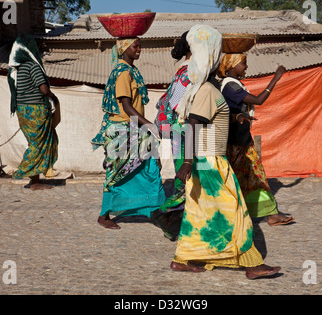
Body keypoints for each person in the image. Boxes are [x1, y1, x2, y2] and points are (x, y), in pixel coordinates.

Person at [170, 24, 281, 279]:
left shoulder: (206, 87)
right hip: (209, 161)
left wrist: (234, 119)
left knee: (200, 214)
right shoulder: (207, 89)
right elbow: (193, 124)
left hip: (209, 160)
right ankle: (252, 264)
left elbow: (208, 120)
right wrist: (187, 162)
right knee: (237, 210)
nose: (219, 58)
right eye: (217, 52)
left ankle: (183, 258)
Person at [91, 37, 166, 230]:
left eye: (140, 45)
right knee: (116, 173)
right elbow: (126, 105)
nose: (140, 49)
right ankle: (103, 215)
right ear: (125, 48)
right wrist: (150, 125)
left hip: (134, 127)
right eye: (136, 46)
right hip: (122, 128)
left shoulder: (132, 71)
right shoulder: (123, 73)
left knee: (150, 165)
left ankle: (153, 209)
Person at [217, 53, 294, 226]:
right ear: (232, 65)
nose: (246, 67)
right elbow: (258, 100)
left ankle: (269, 214)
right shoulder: (230, 86)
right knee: (238, 179)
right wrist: (275, 78)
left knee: (254, 177)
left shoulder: (234, 85)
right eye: (243, 63)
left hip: (241, 139)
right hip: (235, 142)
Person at [151, 31, 191, 240]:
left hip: (183, 132)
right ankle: (165, 215)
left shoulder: (189, 71)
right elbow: (175, 103)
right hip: (184, 132)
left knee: (187, 180)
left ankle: (177, 223)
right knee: (186, 179)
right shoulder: (187, 73)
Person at [8, 34, 59, 191]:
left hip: (22, 111)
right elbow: (44, 89)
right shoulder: (33, 66)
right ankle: (28, 175)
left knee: (34, 143)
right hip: (36, 110)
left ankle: (35, 179)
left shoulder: (18, 69)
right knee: (39, 144)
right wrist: (53, 97)